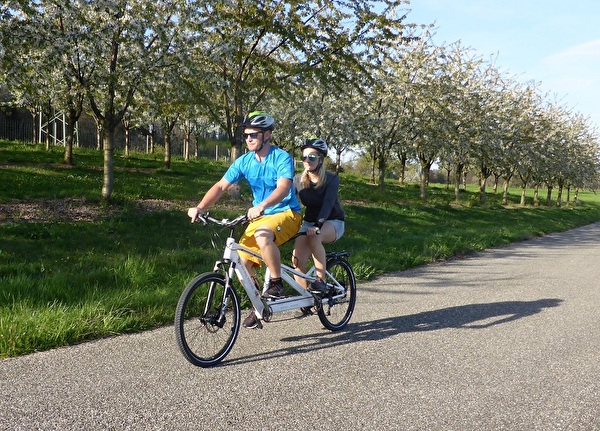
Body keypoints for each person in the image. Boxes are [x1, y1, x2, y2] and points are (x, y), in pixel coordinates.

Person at [187, 111, 302, 329]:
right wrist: (200, 208)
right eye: (246, 135)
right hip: (262, 216)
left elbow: (284, 187)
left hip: (287, 213)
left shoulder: (281, 157)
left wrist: (262, 206)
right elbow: (221, 186)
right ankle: (259, 303)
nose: (248, 139)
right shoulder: (245, 161)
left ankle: (276, 284)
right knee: (241, 260)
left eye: (254, 135)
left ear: (267, 135)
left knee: (262, 234)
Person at [292, 138, 345, 313]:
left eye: (312, 157)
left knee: (316, 237)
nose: (307, 160)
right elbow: (288, 202)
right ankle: (306, 299)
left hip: (332, 221)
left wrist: (318, 225)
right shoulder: (298, 180)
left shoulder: (331, 179)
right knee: (297, 261)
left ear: (320, 159)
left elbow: (328, 204)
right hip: (308, 222)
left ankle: (320, 281)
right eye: (304, 157)